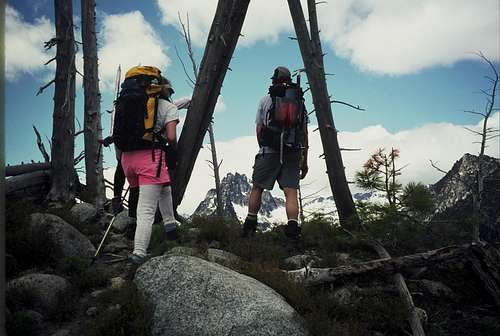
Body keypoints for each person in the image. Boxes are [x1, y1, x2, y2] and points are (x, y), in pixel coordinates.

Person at [116, 68, 181, 266]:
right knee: (146, 210)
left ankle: (171, 230)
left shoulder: (127, 103)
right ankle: (139, 253)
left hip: (128, 159)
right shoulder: (168, 108)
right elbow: (171, 137)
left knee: (165, 188)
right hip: (151, 158)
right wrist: (173, 149)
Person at [242, 66, 309, 240]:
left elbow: (259, 129)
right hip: (292, 151)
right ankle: (293, 231)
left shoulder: (266, 100)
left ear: (274, 80)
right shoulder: (299, 102)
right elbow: (304, 133)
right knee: (291, 192)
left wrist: (263, 148)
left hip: (269, 150)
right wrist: (304, 159)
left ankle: (249, 228)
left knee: (257, 187)